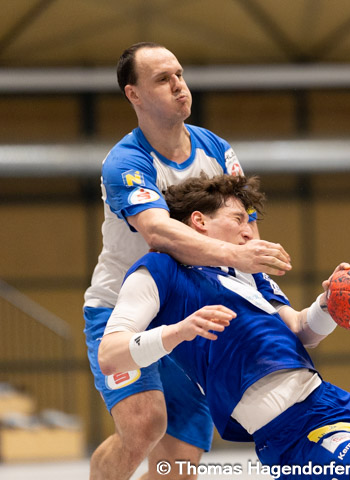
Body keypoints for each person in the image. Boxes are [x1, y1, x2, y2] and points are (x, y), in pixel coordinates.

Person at [98, 174, 350, 480]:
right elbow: (110, 355)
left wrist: (330, 303)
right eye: (239, 219)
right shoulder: (160, 269)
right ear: (199, 221)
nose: (249, 231)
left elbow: (303, 332)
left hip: (332, 401)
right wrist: (177, 332)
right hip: (290, 430)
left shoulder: (251, 274)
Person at [83, 42, 292, 480]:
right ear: (134, 95)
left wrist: (264, 289)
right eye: (163, 79)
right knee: (144, 424)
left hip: (188, 312)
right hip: (123, 308)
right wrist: (236, 255)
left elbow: (243, 224)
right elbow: (158, 232)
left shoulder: (216, 148)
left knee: (178, 467)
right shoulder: (126, 161)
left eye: (179, 74)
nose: (179, 86)